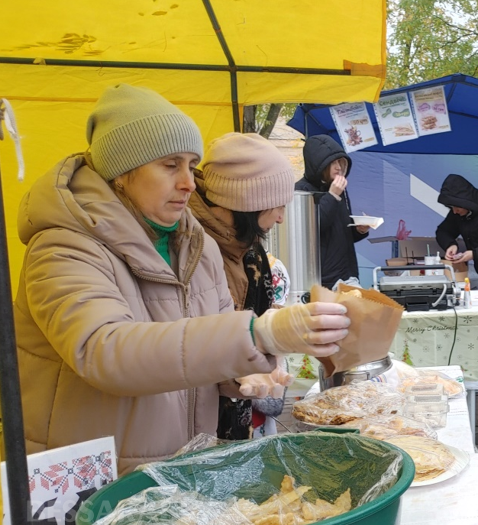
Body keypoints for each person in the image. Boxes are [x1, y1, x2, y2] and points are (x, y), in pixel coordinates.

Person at [14, 84, 350, 473]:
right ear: (121, 172)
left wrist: (246, 370)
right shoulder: (62, 247)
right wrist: (258, 334)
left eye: (192, 165)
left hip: (181, 472)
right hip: (90, 485)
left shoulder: (196, 246)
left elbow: (204, 354)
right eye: (170, 165)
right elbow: (104, 351)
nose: (189, 182)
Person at [188, 132, 298, 439]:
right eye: (277, 206)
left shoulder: (250, 249)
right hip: (196, 428)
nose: (280, 218)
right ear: (246, 202)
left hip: (244, 414)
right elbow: (186, 347)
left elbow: (256, 324)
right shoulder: (189, 249)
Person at [295, 134, 370, 288]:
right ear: (319, 164)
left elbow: (340, 232)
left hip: (348, 274)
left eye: (340, 162)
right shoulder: (301, 190)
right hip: (321, 280)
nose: (338, 167)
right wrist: (332, 195)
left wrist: (359, 230)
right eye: (332, 163)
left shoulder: (339, 189)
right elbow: (313, 228)